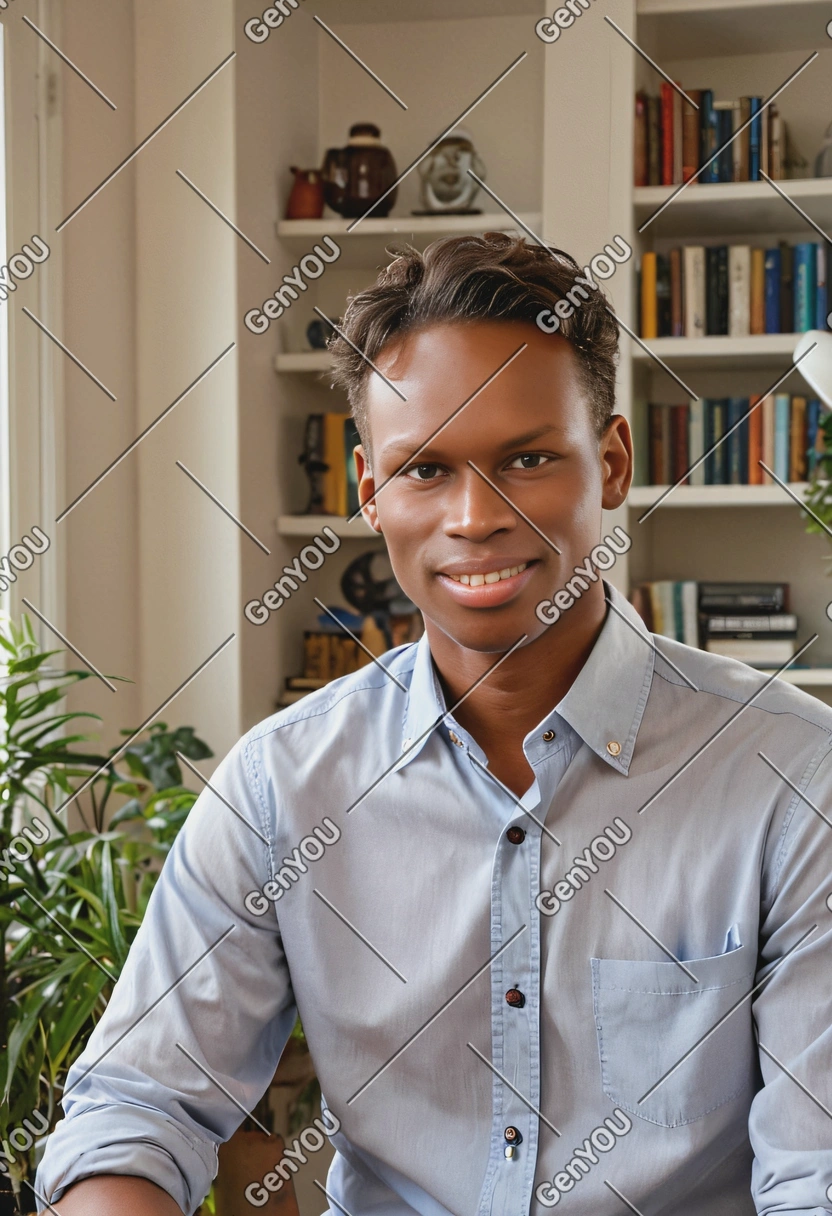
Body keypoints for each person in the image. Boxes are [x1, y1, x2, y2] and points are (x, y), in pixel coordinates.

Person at [37, 234, 832, 1215]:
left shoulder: (796, 778)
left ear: (613, 463)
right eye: (425, 471)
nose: (475, 516)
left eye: (528, 457)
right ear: (369, 490)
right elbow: (137, 1103)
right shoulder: (282, 787)